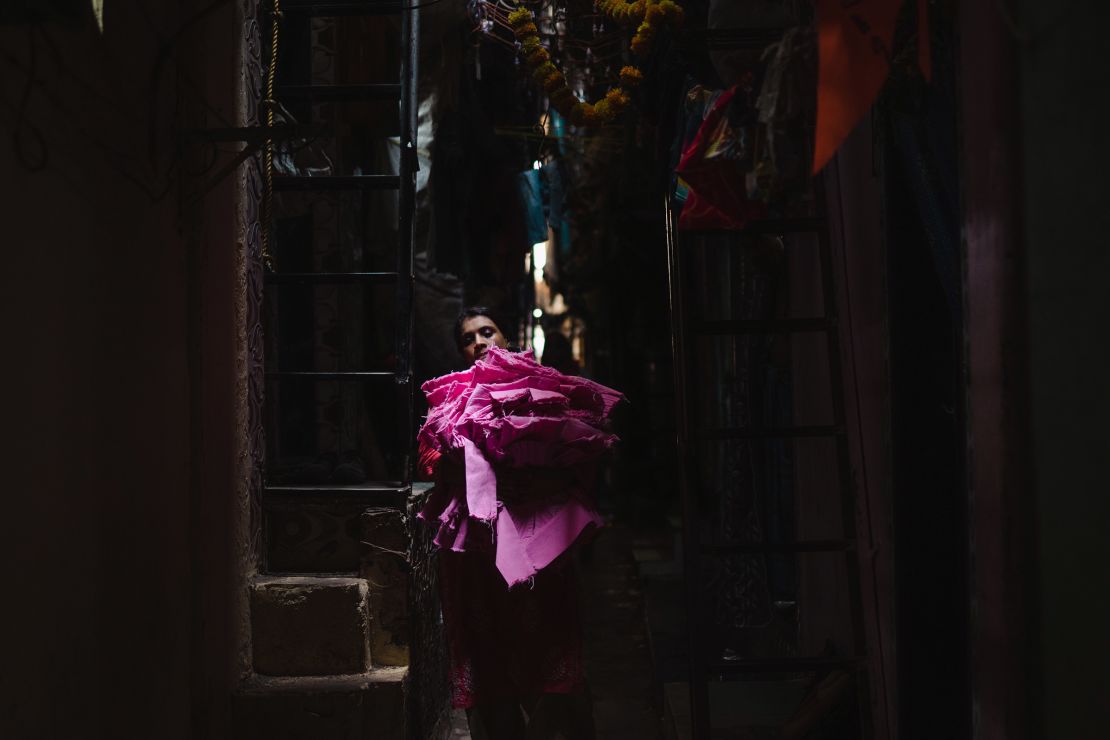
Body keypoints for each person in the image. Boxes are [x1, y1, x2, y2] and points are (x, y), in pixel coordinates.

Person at [420, 307, 598, 740]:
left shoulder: (547, 392)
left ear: (506, 337)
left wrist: (538, 474)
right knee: (489, 665)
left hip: (540, 558)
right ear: (461, 353)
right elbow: (434, 467)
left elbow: (582, 461)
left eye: (487, 331)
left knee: (551, 663)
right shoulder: (447, 407)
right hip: (478, 562)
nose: (480, 342)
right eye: (468, 338)